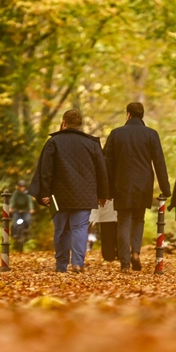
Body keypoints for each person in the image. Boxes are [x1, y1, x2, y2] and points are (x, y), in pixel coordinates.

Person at [29, 110, 109, 273]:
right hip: (84, 195)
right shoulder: (92, 143)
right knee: (80, 228)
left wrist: (44, 192)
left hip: (59, 195)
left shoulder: (54, 142)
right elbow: (102, 170)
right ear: (80, 125)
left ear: (63, 122)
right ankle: (78, 263)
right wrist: (102, 194)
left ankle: (61, 265)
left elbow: (46, 170)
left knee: (61, 230)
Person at [104, 102, 171, 273]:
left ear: (128, 114)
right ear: (142, 115)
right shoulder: (151, 134)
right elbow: (159, 163)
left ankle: (125, 263)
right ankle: (135, 252)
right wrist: (165, 188)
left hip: (122, 184)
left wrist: (107, 189)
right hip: (143, 185)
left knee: (123, 222)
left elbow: (107, 163)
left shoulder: (116, 134)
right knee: (138, 219)